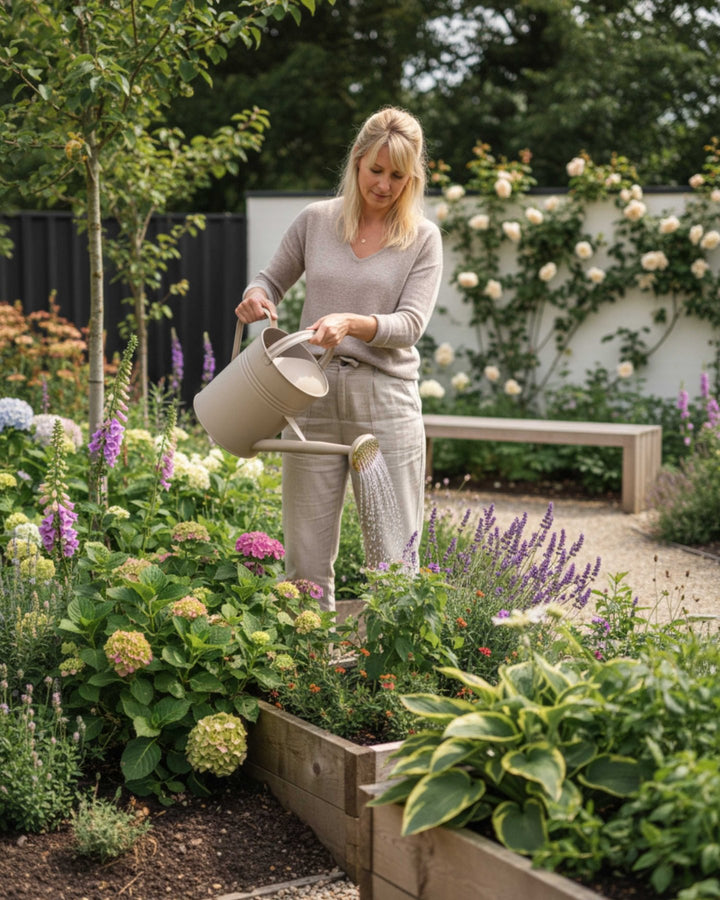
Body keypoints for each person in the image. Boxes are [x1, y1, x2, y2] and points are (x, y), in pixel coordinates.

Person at [234, 106, 443, 611]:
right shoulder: (316, 221)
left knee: (393, 555)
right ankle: (309, 671)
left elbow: (410, 327)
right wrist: (256, 296)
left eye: (399, 175)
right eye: (377, 170)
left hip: (385, 401)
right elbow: (270, 278)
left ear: (412, 177)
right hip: (309, 395)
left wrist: (351, 323)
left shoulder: (422, 238)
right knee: (305, 552)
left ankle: (387, 677)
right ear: (357, 160)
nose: (385, 184)